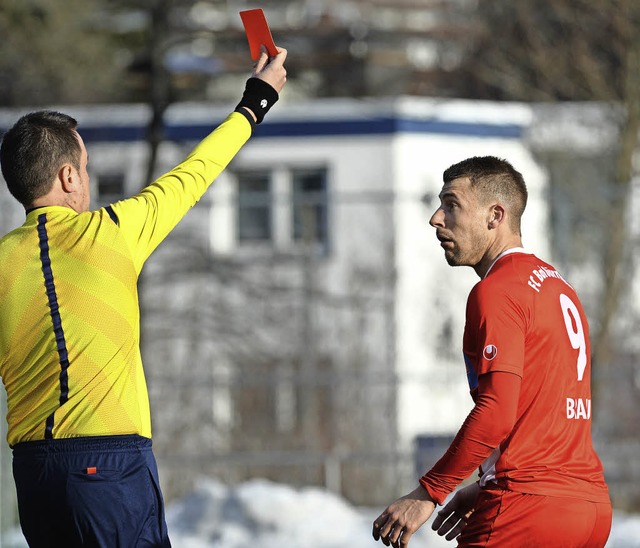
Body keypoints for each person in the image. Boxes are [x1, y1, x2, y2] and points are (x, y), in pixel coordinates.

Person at [0, 46, 287, 547]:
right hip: (107, 465)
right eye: (85, 167)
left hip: (32, 474)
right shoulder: (110, 232)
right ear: (68, 177)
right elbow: (195, 172)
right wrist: (256, 101)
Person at [372, 156, 611, 547]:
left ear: (494, 215)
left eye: (451, 204)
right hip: (589, 509)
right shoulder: (559, 287)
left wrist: (429, 491)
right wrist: (482, 484)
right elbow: (541, 412)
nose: (436, 218)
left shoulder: (497, 290)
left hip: (527, 507)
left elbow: (498, 411)